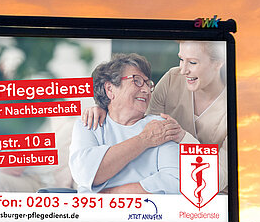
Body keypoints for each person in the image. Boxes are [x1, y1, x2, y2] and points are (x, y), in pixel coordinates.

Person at [82, 40, 229, 190]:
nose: (183, 70)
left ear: (218, 63)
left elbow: (217, 178)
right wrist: (105, 106)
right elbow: (144, 124)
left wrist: (183, 138)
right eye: (181, 59)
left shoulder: (234, 109)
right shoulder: (173, 78)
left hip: (211, 198)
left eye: (192, 62)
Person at [69, 53, 196, 193]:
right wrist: (144, 139)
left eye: (148, 84)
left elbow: (175, 182)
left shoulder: (160, 126)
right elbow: (86, 174)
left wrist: (110, 194)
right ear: (110, 89)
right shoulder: (90, 124)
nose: (146, 90)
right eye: (137, 81)